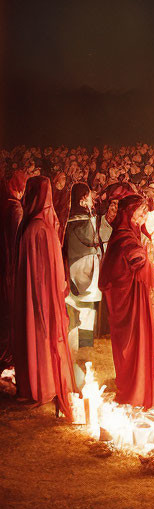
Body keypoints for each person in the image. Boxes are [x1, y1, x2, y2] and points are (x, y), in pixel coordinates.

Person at [12, 176, 76, 419]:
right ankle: (43, 384)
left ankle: (38, 384)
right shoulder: (40, 228)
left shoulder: (32, 227)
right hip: (42, 295)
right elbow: (50, 269)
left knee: (35, 336)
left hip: (34, 294)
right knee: (42, 337)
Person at [98, 195, 154, 408]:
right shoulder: (125, 237)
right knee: (133, 346)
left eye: (145, 210)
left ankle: (135, 389)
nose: (144, 215)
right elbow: (138, 263)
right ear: (128, 213)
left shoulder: (127, 234)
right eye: (140, 211)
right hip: (129, 304)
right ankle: (135, 392)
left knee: (133, 347)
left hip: (132, 300)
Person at [63, 182, 103, 350]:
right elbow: (91, 240)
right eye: (88, 196)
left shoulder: (68, 217)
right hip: (86, 266)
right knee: (86, 308)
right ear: (82, 199)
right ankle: (84, 345)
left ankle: (75, 343)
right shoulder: (85, 220)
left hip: (73, 265)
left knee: (76, 305)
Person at [0, 171, 27, 367]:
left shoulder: (5, 202)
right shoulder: (15, 207)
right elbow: (17, 240)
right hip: (11, 263)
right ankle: (9, 351)